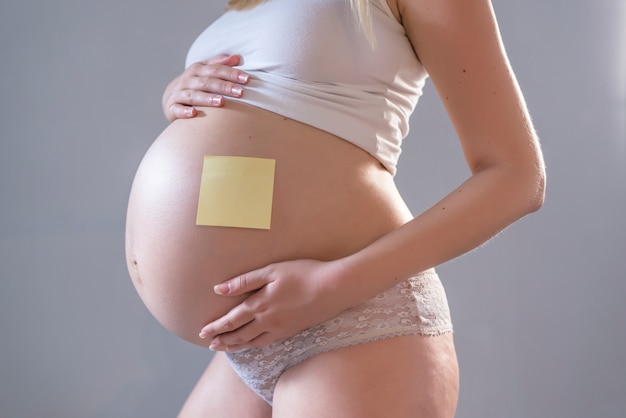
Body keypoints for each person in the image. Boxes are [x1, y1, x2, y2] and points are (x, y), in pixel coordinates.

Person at [125, 0, 546, 416]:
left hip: (351, 315)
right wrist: (180, 96)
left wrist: (331, 285)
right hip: (249, 333)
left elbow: (517, 177)